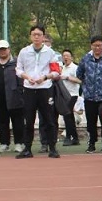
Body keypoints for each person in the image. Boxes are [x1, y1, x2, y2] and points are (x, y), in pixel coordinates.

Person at [15, 25, 61, 159]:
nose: (36, 37)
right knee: (28, 120)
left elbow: (55, 71)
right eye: (34, 34)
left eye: (39, 34)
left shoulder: (50, 52)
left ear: (43, 37)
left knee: (49, 119)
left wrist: (45, 77)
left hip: (45, 89)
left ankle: (52, 148)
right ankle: (27, 149)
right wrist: (27, 77)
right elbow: (18, 69)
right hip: (29, 89)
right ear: (30, 36)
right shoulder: (24, 52)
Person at [0, 40, 25, 154]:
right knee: (2, 122)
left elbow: (21, 79)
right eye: (0, 49)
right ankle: (4, 143)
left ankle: (19, 143)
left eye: (4, 49)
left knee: (18, 122)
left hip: (15, 98)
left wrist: (20, 93)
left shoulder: (17, 63)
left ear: (9, 49)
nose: (2, 51)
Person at [59, 49, 81, 146]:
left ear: (71, 57)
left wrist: (67, 78)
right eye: (64, 56)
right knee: (69, 117)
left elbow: (80, 80)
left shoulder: (75, 68)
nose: (65, 57)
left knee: (67, 115)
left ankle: (68, 137)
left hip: (72, 95)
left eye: (67, 56)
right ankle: (75, 138)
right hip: (64, 95)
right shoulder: (62, 68)